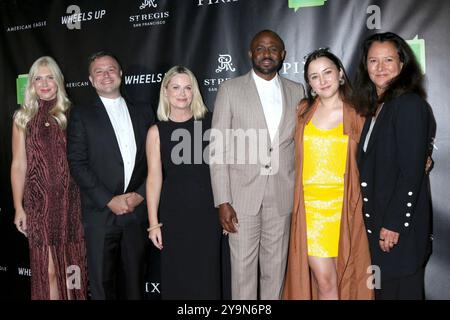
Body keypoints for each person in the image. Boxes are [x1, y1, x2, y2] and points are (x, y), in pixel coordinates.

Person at [210, 29, 305, 299]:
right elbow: (218, 149)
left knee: (276, 271)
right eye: (261, 48)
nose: (267, 53)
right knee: (242, 271)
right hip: (241, 198)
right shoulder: (230, 89)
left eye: (273, 48)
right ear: (251, 53)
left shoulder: (296, 91)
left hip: (282, 195)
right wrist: (222, 200)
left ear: (282, 55)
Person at [282, 48, 373, 300]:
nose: (322, 81)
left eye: (327, 72)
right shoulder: (303, 111)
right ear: (309, 83)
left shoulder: (358, 112)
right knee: (325, 281)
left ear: (340, 74)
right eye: (314, 76)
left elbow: (379, 153)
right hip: (311, 212)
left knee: (345, 278)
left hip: (346, 208)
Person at [353, 32, 435, 300]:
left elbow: (411, 171)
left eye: (389, 59)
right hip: (380, 225)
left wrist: (395, 224)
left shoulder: (408, 104)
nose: (380, 67)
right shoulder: (377, 106)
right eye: (373, 60)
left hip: (398, 230)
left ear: (402, 64)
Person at [67, 52, 154, 299]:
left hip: (136, 212)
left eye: (111, 69)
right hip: (100, 214)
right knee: (103, 287)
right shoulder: (81, 115)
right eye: (99, 72)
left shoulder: (144, 111)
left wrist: (140, 195)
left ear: (121, 74)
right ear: (91, 80)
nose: (106, 75)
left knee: (135, 283)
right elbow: (77, 163)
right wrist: (109, 200)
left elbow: (157, 162)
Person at [11, 56, 88, 300]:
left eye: (50, 77)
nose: (44, 84)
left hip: (72, 204)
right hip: (39, 206)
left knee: (72, 269)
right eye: (38, 78)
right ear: (31, 84)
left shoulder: (72, 114)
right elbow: (18, 165)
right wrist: (18, 207)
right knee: (48, 272)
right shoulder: (22, 118)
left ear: (59, 80)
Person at [146, 66, 223, 299]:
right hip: (175, 215)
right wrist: (153, 224)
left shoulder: (212, 123)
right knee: (178, 278)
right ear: (165, 91)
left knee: (208, 277)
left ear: (195, 91)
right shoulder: (156, 131)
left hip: (209, 213)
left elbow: (225, 170)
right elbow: (153, 178)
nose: (182, 93)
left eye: (188, 87)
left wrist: (226, 207)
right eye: (176, 87)